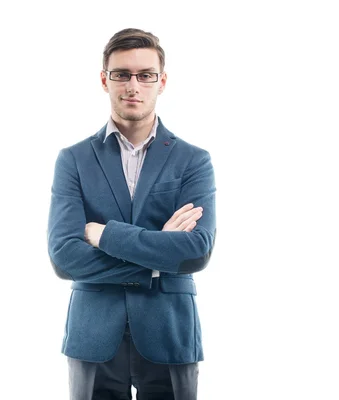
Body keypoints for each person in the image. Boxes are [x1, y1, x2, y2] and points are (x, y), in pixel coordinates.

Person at [47, 28, 217, 400]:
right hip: (93, 332)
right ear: (104, 80)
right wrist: (159, 259)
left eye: (145, 75)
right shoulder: (73, 160)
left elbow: (195, 251)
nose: (133, 86)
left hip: (170, 328)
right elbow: (63, 257)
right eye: (121, 74)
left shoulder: (193, 161)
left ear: (162, 81)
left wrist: (104, 235)